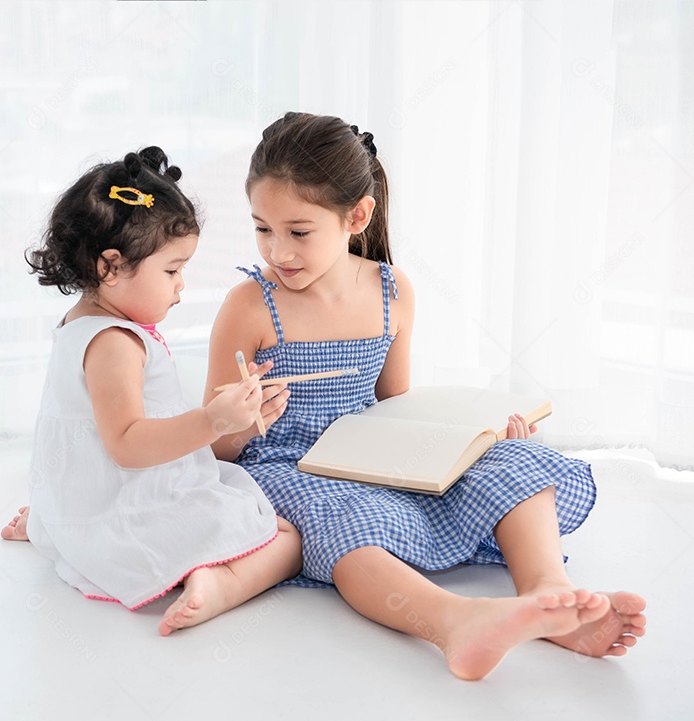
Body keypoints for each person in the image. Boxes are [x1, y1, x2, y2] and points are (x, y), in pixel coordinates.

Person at [205, 112, 646, 680]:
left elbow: (398, 408)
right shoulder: (249, 305)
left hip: (371, 454)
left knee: (517, 460)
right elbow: (213, 446)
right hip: (288, 465)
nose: (277, 252)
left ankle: (549, 595)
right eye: (262, 229)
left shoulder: (391, 290)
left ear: (356, 216)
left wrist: (480, 441)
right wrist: (244, 422)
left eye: (298, 232)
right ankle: (454, 622)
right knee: (346, 522)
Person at [0, 146, 302, 636]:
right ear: (110, 267)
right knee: (286, 536)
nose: (181, 285)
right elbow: (126, 444)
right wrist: (214, 421)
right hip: (129, 509)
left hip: (85, 500)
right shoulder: (115, 343)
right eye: (172, 270)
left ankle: (56, 524)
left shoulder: (83, 322)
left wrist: (232, 417)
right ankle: (221, 583)